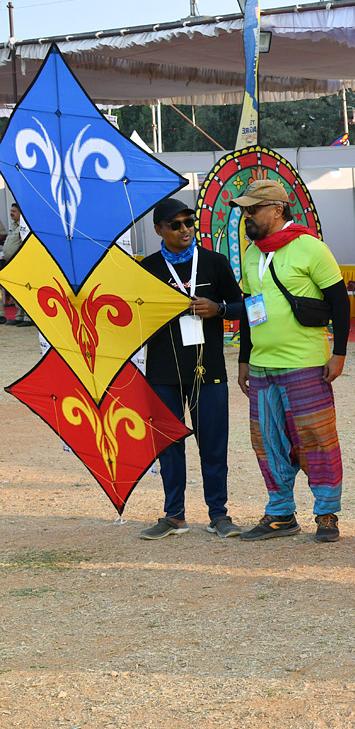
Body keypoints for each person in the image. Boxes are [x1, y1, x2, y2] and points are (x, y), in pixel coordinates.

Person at [233, 179, 352, 542]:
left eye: (253, 209)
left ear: (277, 209)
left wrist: (340, 353)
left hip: (305, 363)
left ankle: (327, 513)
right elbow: (250, 309)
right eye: (243, 211)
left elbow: (339, 302)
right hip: (261, 365)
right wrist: (243, 360)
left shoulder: (311, 249)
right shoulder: (252, 253)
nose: (246, 216)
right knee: (266, 442)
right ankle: (281, 513)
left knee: (317, 438)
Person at [137, 197, 246, 540]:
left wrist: (220, 309)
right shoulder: (148, 269)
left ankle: (219, 515)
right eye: (176, 224)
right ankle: (174, 515)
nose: (185, 230)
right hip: (162, 372)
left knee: (213, 444)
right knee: (169, 444)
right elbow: (133, 319)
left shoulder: (214, 263)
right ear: (159, 229)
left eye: (189, 223)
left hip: (208, 369)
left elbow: (243, 307)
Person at [3, 203, 32, 327]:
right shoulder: (14, 226)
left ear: (21, 212)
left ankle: (28, 317)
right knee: (17, 290)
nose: (11, 213)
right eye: (11, 211)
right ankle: (19, 315)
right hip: (11, 263)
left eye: (14, 211)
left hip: (21, 263)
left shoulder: (25, 227)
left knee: (25, 289)